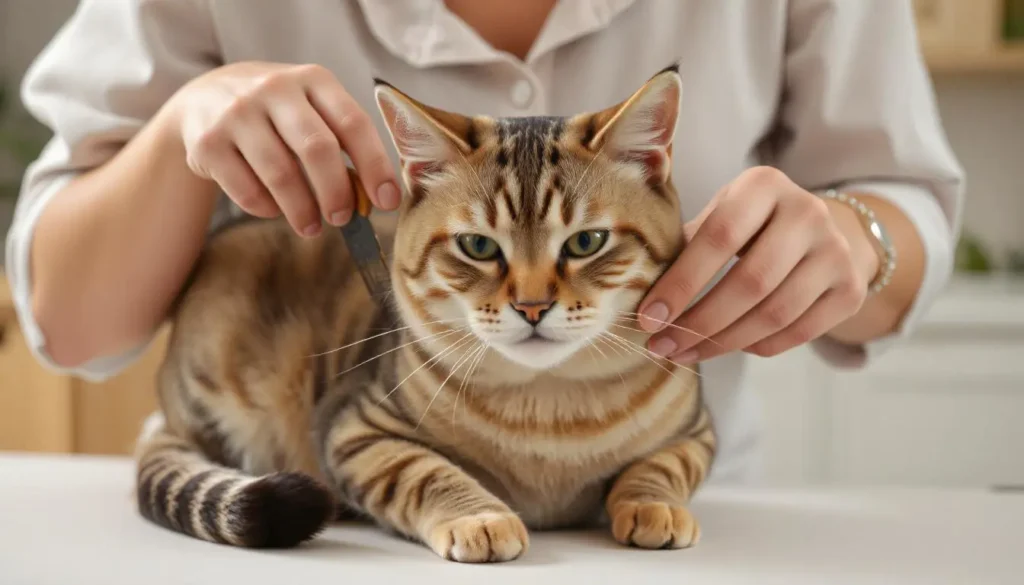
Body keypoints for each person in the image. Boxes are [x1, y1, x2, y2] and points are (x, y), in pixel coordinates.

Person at [4, 0, 964, 483]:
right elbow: (69, 318)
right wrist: (182, 127)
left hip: (664, 499)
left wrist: (858, 236)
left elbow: (905, 192)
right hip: (314, 515)